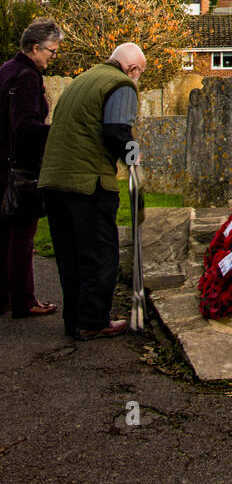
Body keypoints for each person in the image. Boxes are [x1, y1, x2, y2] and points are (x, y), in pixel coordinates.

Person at [39, 43, 146, 341]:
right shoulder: (121, 84)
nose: (137, 79)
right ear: (133, 69)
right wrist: (135, 159)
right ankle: (94, 320)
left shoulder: (82, 80)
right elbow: (116, 130)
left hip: (54, 181)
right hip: (88, 183)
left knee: (70, 254)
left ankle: (74, 320)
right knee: (99, 254)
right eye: (139, 74)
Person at [0, 19, 63, 318]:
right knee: (23, 234)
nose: (53, 57)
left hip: (3, 162)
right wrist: (56, 131)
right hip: (20, 167)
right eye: (51, 51)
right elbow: (24, 127)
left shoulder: (6, 70)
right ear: (35, 48)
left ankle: (5, 297)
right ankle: (24, 301)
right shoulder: (27, 77)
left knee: (4, 232)